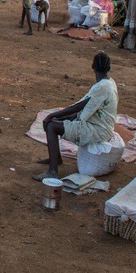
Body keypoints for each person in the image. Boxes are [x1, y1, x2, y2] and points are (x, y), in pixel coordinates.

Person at [33, 52, 118, 181]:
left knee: (51, 126)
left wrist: (52, 115)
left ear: (92, 66)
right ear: (109, 68)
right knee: (54, 122)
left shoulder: (101, 87)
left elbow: (79, 107)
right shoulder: (109, 83)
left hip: (99, 130)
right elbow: (84, 109)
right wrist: (59, 117)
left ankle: (53, 170)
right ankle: (56, 159)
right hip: (101, 126)